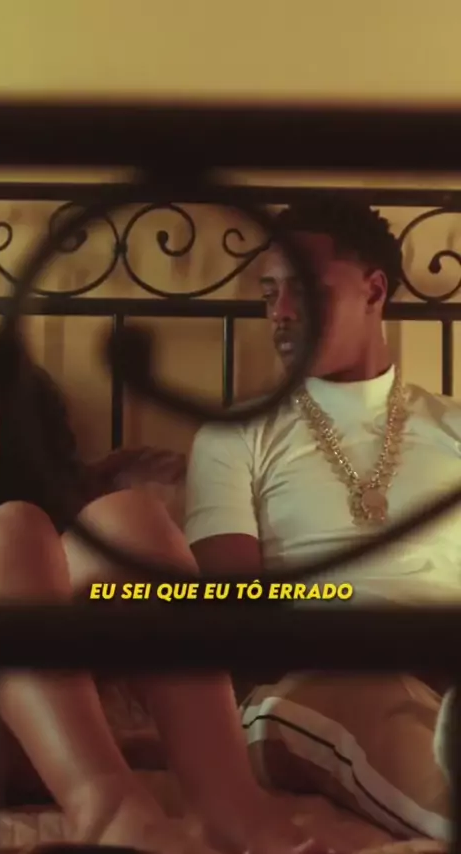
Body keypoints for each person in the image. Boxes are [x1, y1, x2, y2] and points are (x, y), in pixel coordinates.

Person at [184, 193, 458, 839]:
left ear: (374, 291)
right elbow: (235, 617)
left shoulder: (450, 425)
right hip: (313, 681)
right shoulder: (235, 435)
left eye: (303, 289)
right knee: (364, 695)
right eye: (268, 294)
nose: (280, 312)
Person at [0, 354, 323, 854]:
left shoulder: (27, 528)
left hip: (28, 729)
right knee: (8, 529)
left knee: (127, 518)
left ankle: (233, 809)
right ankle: (109, 814)